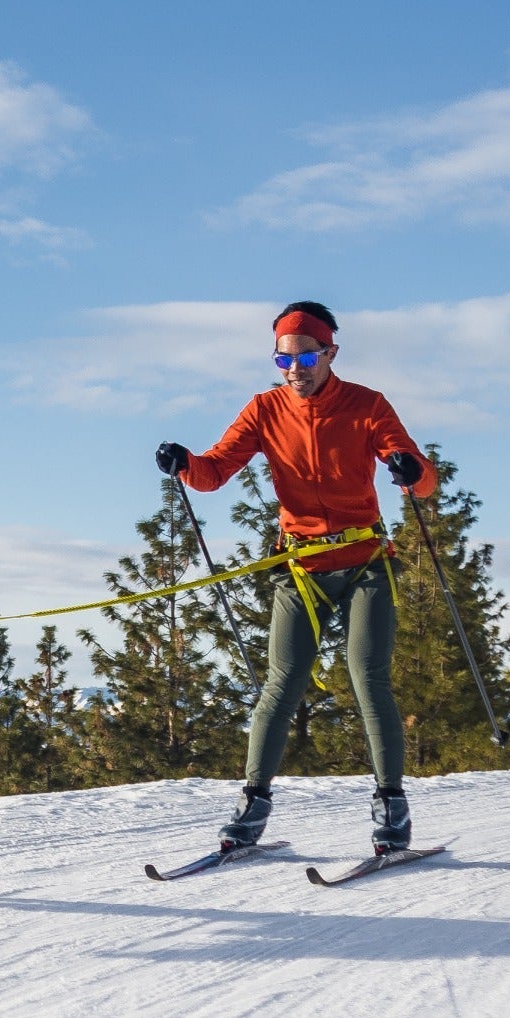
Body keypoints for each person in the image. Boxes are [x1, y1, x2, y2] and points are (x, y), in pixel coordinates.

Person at [155, 300, 437, 855]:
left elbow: (420, 479)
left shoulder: (367, 405)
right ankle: (251, 809)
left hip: (365, 563)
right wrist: (184, 461)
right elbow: (213, 473)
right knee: (281, 683)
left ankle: (391, 811)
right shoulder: (264, 410)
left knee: (367, 677)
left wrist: (410, 470)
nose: (296, 370)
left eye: (307, 356)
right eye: (284, 360)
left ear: (330, 352)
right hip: (301, 567)